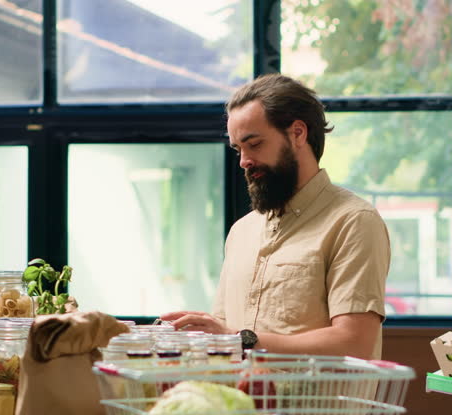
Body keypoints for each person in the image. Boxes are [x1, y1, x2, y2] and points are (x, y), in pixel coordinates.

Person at [161, 74, 391, 359]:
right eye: (238, 149)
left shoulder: (353, 221)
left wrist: (238, 340)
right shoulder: (241, 232)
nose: (244, 160)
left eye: (254, 144)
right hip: (241, 402)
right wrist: (198, 331)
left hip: (319, 404)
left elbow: (354, 342)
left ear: (297, 134)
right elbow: (226, 334)